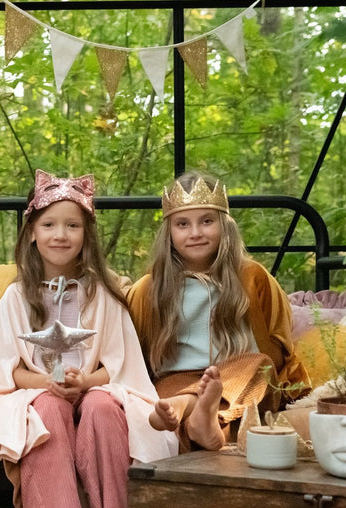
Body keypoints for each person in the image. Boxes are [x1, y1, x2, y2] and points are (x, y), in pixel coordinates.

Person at [0, 170, 178, 508]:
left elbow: (118, 365)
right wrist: (46, 383)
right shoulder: (16, 297)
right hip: (38, 391)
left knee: (102, 407)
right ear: (32, 233)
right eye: (49, 225)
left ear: (86, 234)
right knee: (45, 413)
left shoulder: (101, 293)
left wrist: (85, 383)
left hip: (95, 389)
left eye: (72, 226)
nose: (60, 235)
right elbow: (7, 370)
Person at [126, 170, 309, 453]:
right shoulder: (149, 289)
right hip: (176, 381)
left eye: (207, 221)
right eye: (183, 224)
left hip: (240, 378)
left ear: (224, 226)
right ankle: (203, 421)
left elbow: (277, 350)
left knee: (261, 365)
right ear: (169, 232)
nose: (195, 233)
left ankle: (193, 408)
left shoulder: (252, 277)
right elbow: (134, 358)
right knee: (168, 404)